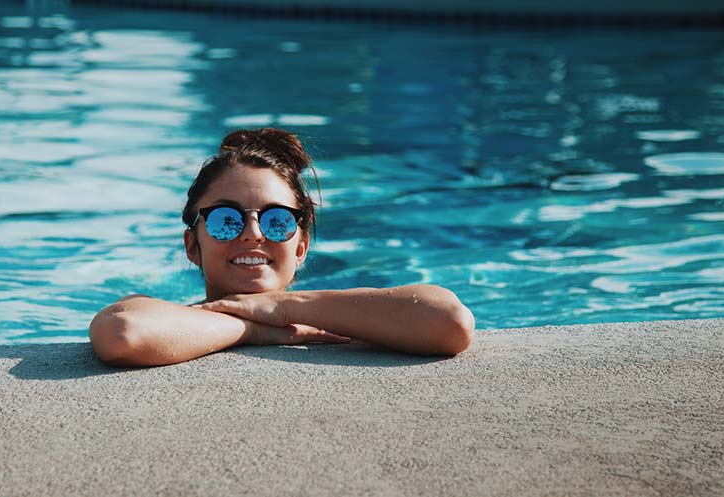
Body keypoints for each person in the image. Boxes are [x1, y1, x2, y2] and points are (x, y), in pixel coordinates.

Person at [89, 128, 474, 367]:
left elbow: (449, 322)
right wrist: (253, 329)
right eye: (227, 219)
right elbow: (124, 333)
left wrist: (285, 307)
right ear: (193, 245)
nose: (253, 233)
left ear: (301, 245)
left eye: (277, 220)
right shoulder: (164, 316)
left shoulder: (355, 315)